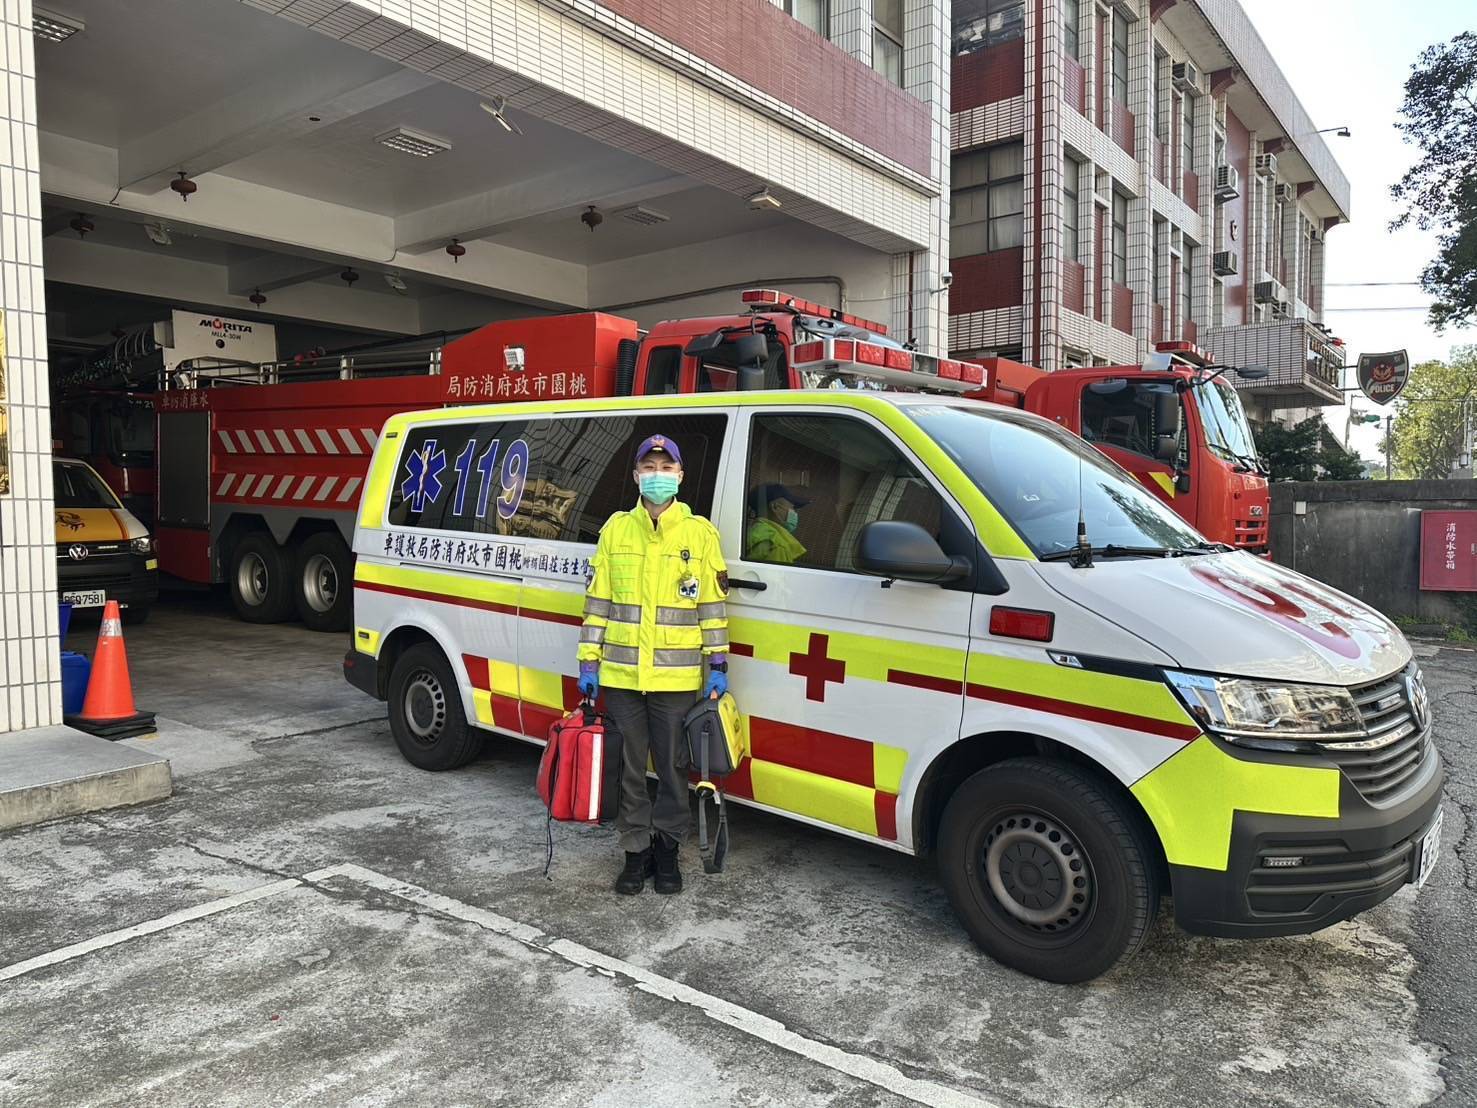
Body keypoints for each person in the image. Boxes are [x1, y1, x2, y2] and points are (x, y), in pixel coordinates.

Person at [577, 435, 729, 895]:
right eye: (650, 466)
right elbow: (597, 602)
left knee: (673, 771)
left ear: (680, 477)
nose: (657, 474)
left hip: (677, 678)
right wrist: (589, 661)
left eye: (666, 467)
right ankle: (635, 851)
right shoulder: (616, 530)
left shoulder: (699, 534)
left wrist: (717, 664)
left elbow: (713, 607)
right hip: (622, 676)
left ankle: (667, 850)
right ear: (637, 475)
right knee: (628, 771)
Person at [745, 483, 809, 565]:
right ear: (775, 507)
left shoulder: (754, 531)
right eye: (792, 508)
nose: (795, 513)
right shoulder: (777, 545)